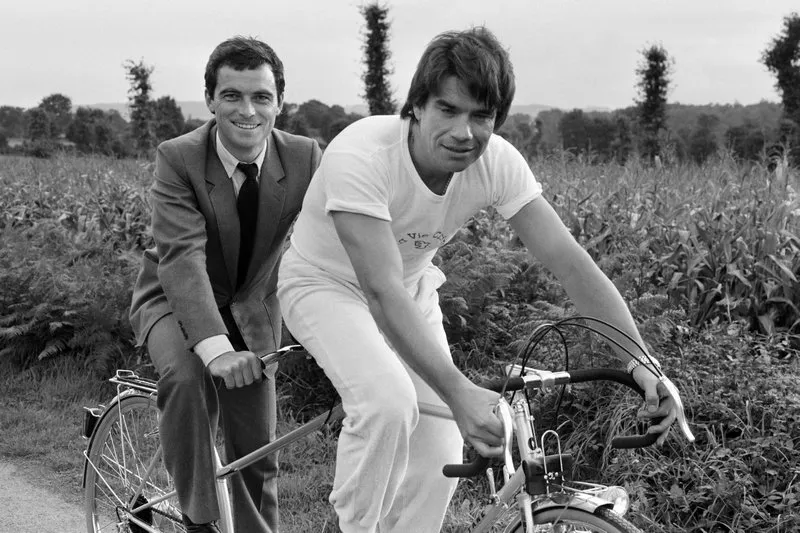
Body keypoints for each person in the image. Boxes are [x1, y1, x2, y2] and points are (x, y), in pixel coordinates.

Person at [276, 26, 683, 533]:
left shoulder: (496, 164)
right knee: (387, 402)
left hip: (411, 288)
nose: (464, 132)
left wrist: (641, 361)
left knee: (439, 447)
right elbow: (379, 292)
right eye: (448, 110)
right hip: (324, 285)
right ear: (417, 107)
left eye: (482, 116)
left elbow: (570, 262)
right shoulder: (361, 156)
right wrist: (459, 391)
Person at [129, 36, 322, 533]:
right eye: (232, 95)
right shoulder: (179, 157)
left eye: (261, 96)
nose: (247, 110)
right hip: (175, 299)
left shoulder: (305, 157)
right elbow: (183, 259)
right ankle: (199, 519)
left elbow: (331, 245)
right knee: (189, 379)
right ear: (211, 100)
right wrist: (215, 351)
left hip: (254, 307)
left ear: (280, 101)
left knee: (256, 450)